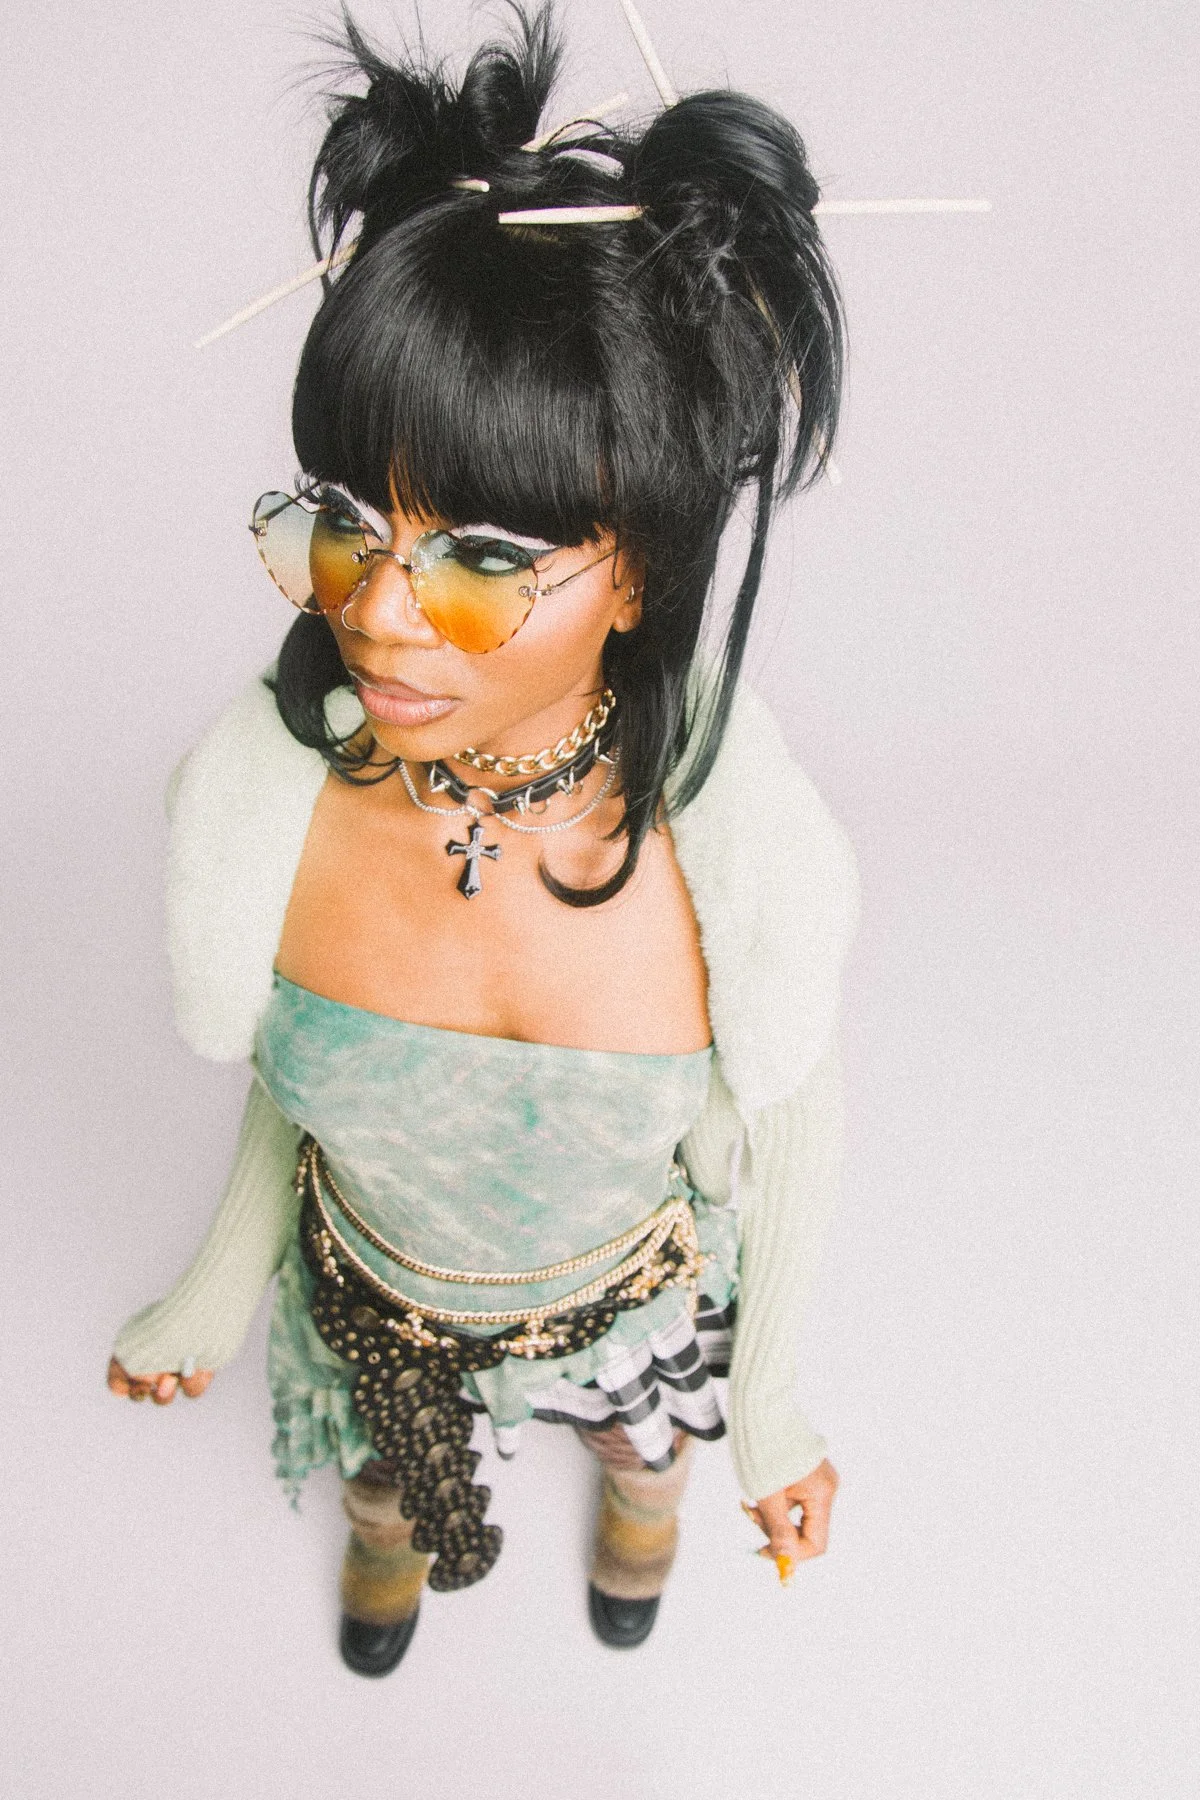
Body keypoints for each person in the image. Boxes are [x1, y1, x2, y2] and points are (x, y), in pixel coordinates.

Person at [107, 1, 860, 1675]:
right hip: (378, 1302)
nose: (377, 616)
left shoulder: (734, 855)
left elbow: (793, 1117)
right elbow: (297, 1091)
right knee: (389, 1485)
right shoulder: (271, 811)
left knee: (639, 1450)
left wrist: (769, 1411)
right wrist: (220, 1288)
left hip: (631, 1306)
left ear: (641, 572)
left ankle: (642, 1511)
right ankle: (392, 1546)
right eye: (346, 527)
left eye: (480, 561)